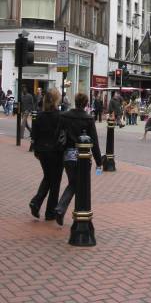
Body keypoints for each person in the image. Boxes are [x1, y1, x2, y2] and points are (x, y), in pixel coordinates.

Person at [55, 92, 102, 226]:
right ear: (86, 103)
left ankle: (64, 210)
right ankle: (63, 209)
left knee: (73, 183)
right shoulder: (88, 119)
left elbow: (57, 135)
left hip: (67, 155)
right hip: (83, 157)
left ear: (75, 102)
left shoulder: (64, 116)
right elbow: (94, 141)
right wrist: (99, 162)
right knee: (77, 184)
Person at [29, 88, 64, 220]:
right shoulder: (60, 116)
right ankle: (50, 212)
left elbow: (34, 135)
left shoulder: (39, 116)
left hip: (42, 152)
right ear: (56, 100)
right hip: (55, 152)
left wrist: (37, 150)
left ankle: (36, 202)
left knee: (48, 178)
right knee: (55, 182)